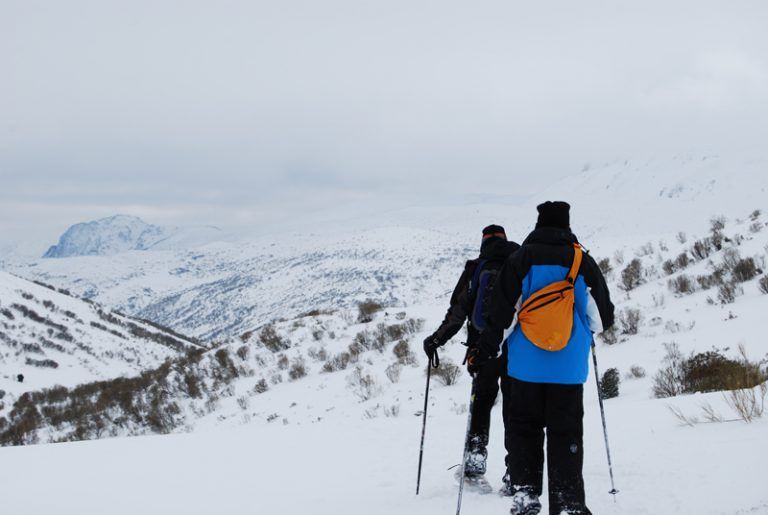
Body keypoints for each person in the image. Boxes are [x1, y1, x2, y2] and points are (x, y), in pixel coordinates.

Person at [477, 201, 615, 515]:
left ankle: (526, 495)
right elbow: (601, 318)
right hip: (568, 369)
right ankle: (568, 502)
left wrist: (487, 350)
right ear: (567, 224)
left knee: (524, 429)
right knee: (566, 432)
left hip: (525, 368)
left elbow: (502, 315)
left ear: (538, 224)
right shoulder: (581, 261)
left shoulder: (520, 260)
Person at [423, 224, 520, 492]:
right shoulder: (520, 264)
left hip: (482, 350)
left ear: (483, 242)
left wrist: (436, 340)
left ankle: (474, 468)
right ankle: (516, 472)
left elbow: (458, 311)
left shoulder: (476, 268)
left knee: (481, 406)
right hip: (516, 350)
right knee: (515, 410)